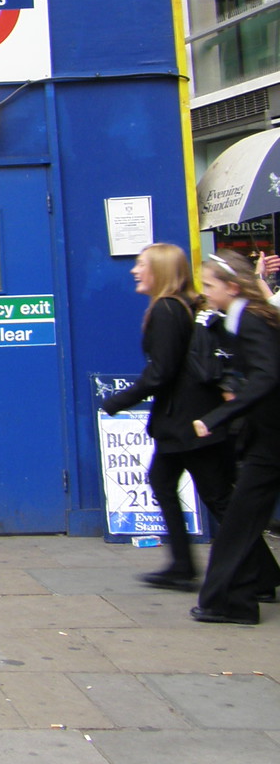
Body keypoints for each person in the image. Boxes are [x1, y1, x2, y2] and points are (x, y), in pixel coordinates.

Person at [101, 244, 235, 590]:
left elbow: (161, 372)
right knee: (164, 480)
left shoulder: (165, 310)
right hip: (186, 420)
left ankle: (258, 572)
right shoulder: (184, 306)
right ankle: (181, 564)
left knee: (217, 497)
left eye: (141, 264)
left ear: (159, 271)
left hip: (188, 423)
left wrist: (119, 400)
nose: (134, 270)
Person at [188, 250, 280, 624]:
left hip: (271, 440)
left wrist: (218, 416)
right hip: (267, 438)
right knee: (243, 518)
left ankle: (231, 601)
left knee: (240, 520)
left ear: (232, 286)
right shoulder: (242, 319)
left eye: (210, 285)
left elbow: (267, 375)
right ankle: (240, 594)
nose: (205, 292)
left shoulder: (251, 321)